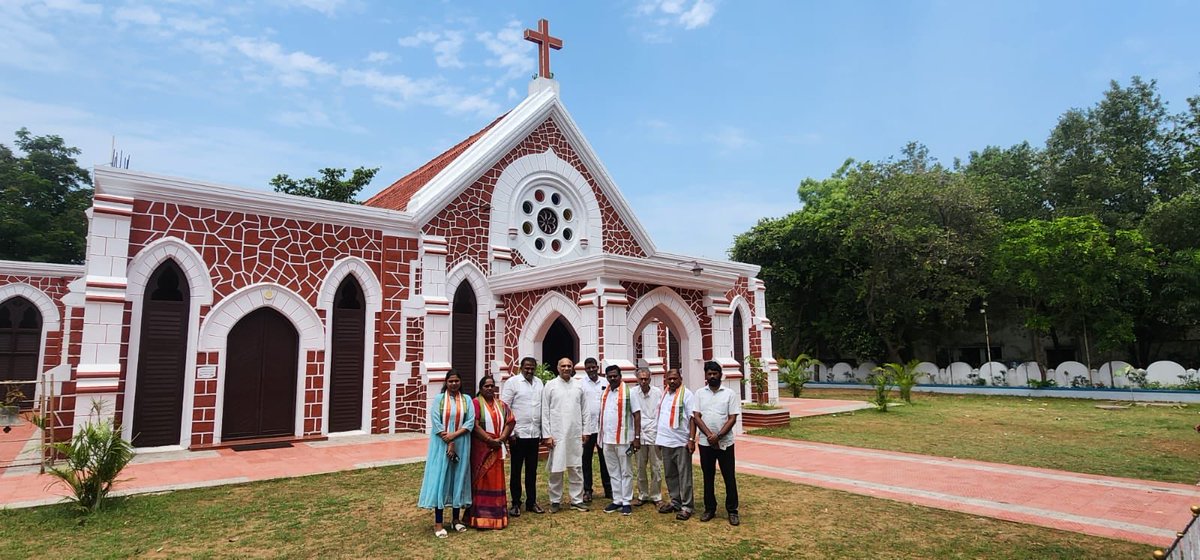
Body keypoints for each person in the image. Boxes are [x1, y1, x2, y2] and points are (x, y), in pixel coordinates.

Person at [417, 370, 475, 538]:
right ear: (446, 383)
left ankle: (456, 519)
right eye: (451, 381)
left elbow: (470, 421)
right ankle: (438, 523)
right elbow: (436, 421)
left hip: (462, 442)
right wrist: (449, 440)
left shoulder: (467, 400)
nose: (454, 384)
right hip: (441, 444)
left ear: (460, 382)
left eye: (457, 381)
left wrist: (454, 437)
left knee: (458, 478)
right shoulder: (439, 400)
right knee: (441, 479)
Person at [693, 361, 741, 526]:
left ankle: (732, 510)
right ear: (705, 376)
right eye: (709, 374)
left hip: (725, 443)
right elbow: (696, 416)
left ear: (720, 374)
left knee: (729, 477)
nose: (712, 376)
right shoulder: (699, 393)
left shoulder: (729, 394)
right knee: (708, 477)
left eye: (715, 373)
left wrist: (718, 436)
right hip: (706, 444)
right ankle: (709, 509)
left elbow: (733, 418)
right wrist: (709, 435)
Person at [465, 375, 514, 530]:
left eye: (492, 386)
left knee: (496, 481)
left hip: (497, 447)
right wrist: (489, 440)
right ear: (480, 388)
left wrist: (501, 438)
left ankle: (496, 516)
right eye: (486, 386)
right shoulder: (475, 403)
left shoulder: (501, 404)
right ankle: (479, 518)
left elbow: (510, 420)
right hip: (481, 450)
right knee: (480, 481)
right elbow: (474, 423)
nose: (490, 388)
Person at [541, 356, 589, 513]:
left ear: (573, 368)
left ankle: (577, 499)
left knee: (576, 467)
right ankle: (555, 500)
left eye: (569, 365)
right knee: (557, 468)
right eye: (563, 366)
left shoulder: (579, 385)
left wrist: (586, 431)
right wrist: (547, 434)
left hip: (575, 434)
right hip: (557, 434)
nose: (567, 368)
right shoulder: (550, 385)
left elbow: (585, 410)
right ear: (558, 367)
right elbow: (545, 412)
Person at [500, 356, 545, 516]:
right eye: (527, 368)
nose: (530, 371)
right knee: (516, 470)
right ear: (521, 368)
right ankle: (516, 503)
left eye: (532, 368)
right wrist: (509, 433)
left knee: (532, 470)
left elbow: (543, 408)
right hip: (517, 435)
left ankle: (531, 502)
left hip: (534, 434)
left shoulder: (539, 383)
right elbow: (505, 408)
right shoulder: (512, 383)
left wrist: (543, 432)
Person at [599, 364, 642, 515]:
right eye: (609, 376)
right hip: (607, 439)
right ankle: (617, 499)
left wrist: (636, 438)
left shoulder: (629, 393)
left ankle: (626, 501)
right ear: (606, 377)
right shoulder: (606, 393)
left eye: (615, 376)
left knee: (626, 471)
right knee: (613, 471)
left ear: (620, 376)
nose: (612, 378)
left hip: (624, 439)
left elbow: (637, 415)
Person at [656, 368, 697, 521]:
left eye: (675, 378)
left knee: (684, 476)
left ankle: (687, 506)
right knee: (670, 474)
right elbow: (661, 417)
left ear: (680, 378)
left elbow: (693, 418)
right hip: (665, 441)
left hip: (681, 442)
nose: (672, 381)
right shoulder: (665, 394)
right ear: (666, 380)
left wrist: (691, 440)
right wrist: (659, 439)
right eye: (669, 379)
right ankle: (675, 502)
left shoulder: (687, 395)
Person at [631, 366, 664, 508]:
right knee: (640, 467)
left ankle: (656, 496)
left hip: (654, 433)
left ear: (650, 379)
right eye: (641, 379)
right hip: (638, 434)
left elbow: (662, 413)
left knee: (656, 467)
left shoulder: (658, 393)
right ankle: (642, 495)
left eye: (646, 378)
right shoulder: (632, 392)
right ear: (637, 379)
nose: (643, 381)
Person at [579, 357, 611, 503]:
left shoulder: (605, 382)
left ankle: (609, 488)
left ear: (598, 368)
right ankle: (587, 490)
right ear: (585, 369)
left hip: (602, 428)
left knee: (605, 459)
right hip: (587, 428)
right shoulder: (580, 384)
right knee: (586, 459)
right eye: (588, 368)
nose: (591, 370)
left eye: (593, 367)